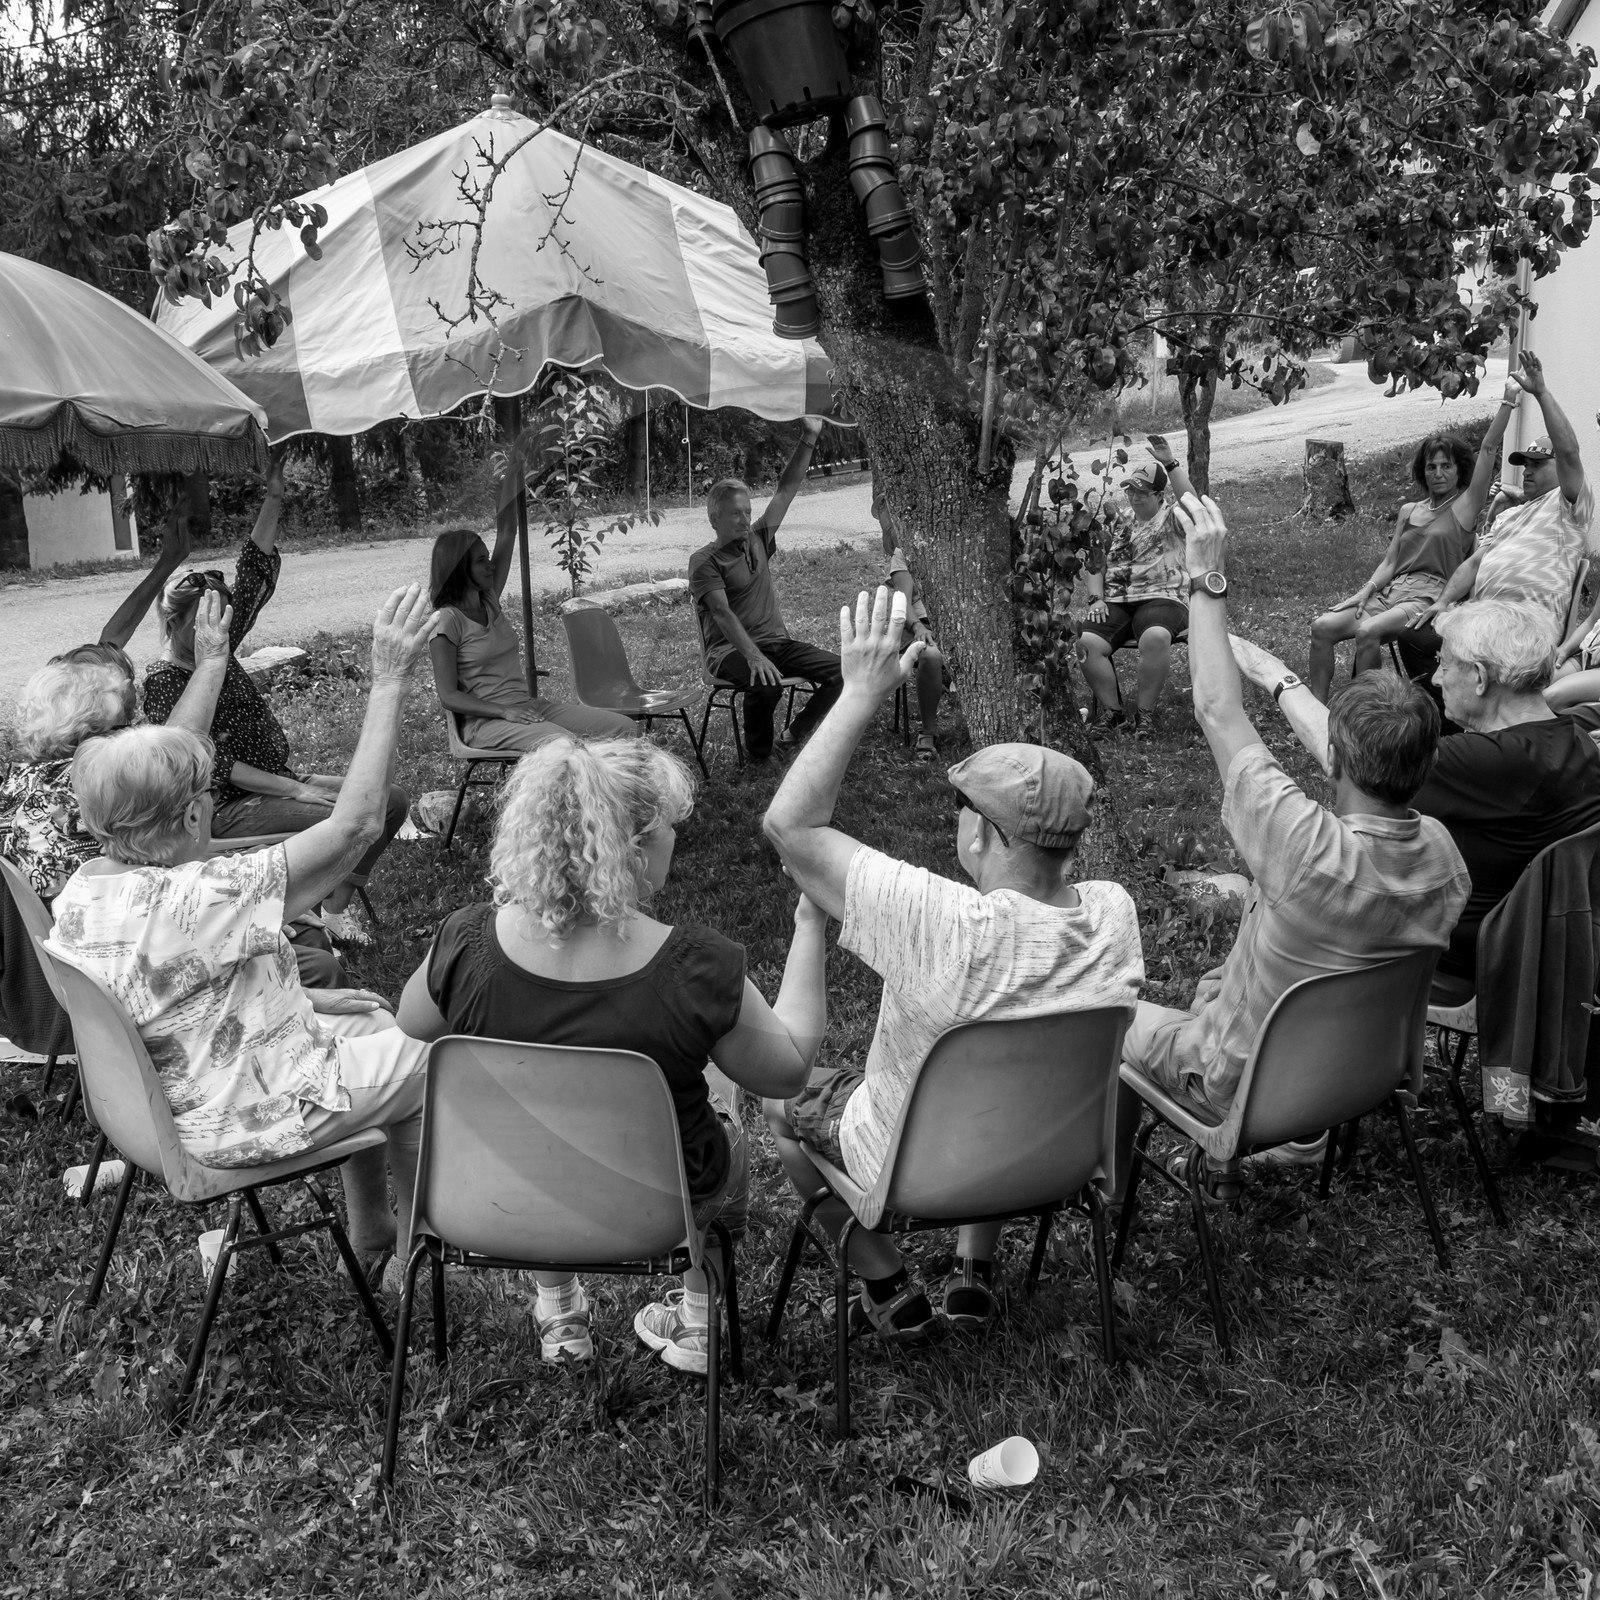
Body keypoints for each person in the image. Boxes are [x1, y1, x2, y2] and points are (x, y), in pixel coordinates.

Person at [761, 587, 1143, 1337]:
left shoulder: (942, 922)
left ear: (988, 836)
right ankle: (974, 1271)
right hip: (1049, 1160)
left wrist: (861, 692)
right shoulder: (1114, 912)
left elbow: (789, 826)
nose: (956, 821)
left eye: (963, 809)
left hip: (908, 1169)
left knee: (782, 1105)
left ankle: (886, 1281)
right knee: (1011, 1067)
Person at [396, 738, 824, 1371]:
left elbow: (411, 1021)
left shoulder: (466, 942)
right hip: (658, 1210)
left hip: (495, 1199)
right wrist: (811, 925)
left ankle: (560, 1311)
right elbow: (788, 1072)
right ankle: (699, 1321)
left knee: (534, 1121)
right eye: (672, 828)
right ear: (637, 845)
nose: (677, 840)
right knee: (723, 1094)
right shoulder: (697, 967)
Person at [49, 587, 441, 1272]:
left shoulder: (85, 889)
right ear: (194, 817)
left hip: (166, 1103)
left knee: (375, 1022)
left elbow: (172, 992)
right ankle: (415, 1262)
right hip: (237, 1114)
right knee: (436, 1063)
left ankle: (374, 1233)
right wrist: (388, 681)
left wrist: (304, 998)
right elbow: (356, 825)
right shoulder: (200, 898)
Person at [1120, 494, 1469, 1158]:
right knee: (1225, 961)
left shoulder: (1303, 846)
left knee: (1105, 1012)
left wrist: (1206, 580)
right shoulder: (1444, 857)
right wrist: (1279, 680)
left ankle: (1108, 1185)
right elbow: (1347, 755)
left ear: (1334, 760)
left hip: (1237, 1086)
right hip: (1353, 1076)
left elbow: (1218, 712)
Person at [143, 456, 409, 945]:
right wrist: (295, 791)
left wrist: (274, 497)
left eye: (220, 620)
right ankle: (306, 913)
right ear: (172, 623)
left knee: (388, 800)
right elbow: (215, 765)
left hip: (279, 783)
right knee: (346, 818)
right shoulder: (164, 682)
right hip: (228, 807)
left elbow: (251, 577)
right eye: (201, 622)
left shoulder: (216, 643)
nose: (214, 630)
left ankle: (334, 904)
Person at [4, 593, 231, 903]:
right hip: (110, 918)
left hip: (47, 925)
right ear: (90, 734)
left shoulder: (16, 779)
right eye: (124, 726)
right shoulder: (87, 778)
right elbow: (175, 754)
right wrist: (213, 662)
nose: (131, 731)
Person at [1306, 392, 1516, 701]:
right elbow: (1390, 563)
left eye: (1446, 466)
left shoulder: (1465, 506)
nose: (1438, 473)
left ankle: (1368, 714)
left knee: (1367, 632)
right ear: (1423, 471)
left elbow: (1488, 449)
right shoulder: (1409, 510)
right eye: (1432, 467)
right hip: (1390, 593)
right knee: (1321, 627)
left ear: (1459, 470)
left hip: (1426, 597)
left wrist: (1508, 402)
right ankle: (1316, 709)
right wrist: (1367, 590)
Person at [428, 446, 636, 753]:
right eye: (481, 561)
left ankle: (615, 783)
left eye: (487, 558)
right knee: (565, 746)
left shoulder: (488, 599)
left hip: (528, 707)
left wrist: (513, 473)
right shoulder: (446, 621)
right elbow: (448, 696)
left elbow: (507, 532)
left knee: (624, 728)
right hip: (485, 722)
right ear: (460, 570)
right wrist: (504, 711)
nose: (490, 565)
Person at [687, 418, 844, 761]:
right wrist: (753, 656)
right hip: (729, 652)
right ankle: (759, 756)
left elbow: (786, 490)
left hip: (776, 644)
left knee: (842, 672)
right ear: (714, 519)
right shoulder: (704, 561)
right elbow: (721, 612)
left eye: (748, 512)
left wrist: (809, 436)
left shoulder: (759, 538)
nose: (745, 520)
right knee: (766, 684)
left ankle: (793, 735)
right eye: (735, 514)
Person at [1416, 352, 1594, 639]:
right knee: (1415, 636)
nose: (1527, 471)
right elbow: (1474, 563)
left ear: (1560, 469)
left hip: (1527, 627)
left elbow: (1569, 452)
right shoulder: (1509, 515)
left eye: (1537, 464)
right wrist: (1443, 601)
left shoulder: (1570, 507)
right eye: (1525, 465)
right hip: (1482, 617)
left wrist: (1541, 392)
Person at [1076, 435, 1194, 737]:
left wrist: (1170, 464)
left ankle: (1145, 716)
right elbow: (1096, 563)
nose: (1134, 497)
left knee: (1155, 636)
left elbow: (1192, 503)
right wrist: (1096, 598)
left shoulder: (1173, 517)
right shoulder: (1117, 522)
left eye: (1142, 492)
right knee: (1086, 643)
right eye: (1131, 490)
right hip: (1117, 600)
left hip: (1163, 597)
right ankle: (1113, 714)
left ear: (1159, 495)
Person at [873, 483, 945, 764]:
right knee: (931, 654)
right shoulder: (903, 553)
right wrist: (918, 627)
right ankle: (928, 731)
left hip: (951, 623)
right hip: (917, 624)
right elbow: (902, 601)